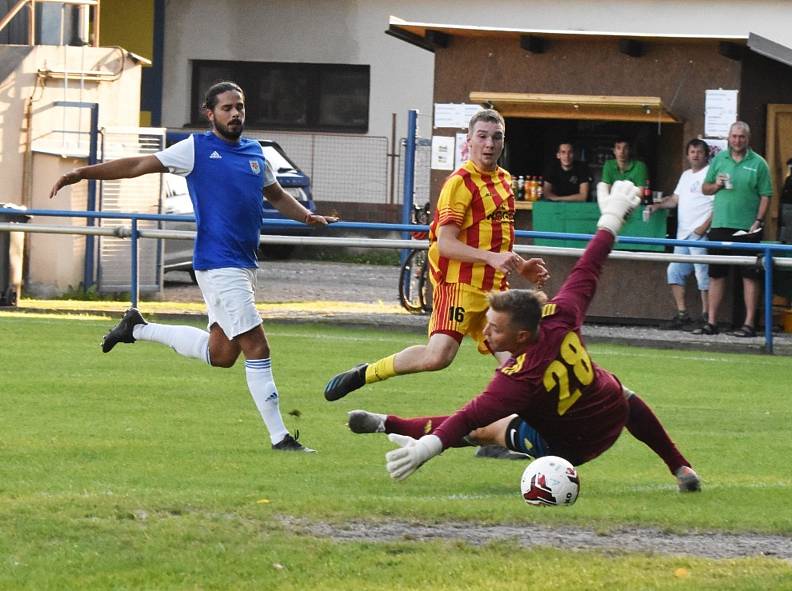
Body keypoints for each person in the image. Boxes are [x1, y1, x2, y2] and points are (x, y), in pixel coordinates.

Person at [347, 181, 701, 493]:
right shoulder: (560, 313)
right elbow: (590, 263)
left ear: (521, 336)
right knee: (620, 391)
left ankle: (387, 423)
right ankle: (681, 467)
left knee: (486, 430)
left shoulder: (517, 379)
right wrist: (612, 217)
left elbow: (467, 418)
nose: (485, 332)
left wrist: (428, 447)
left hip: (570, 447)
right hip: (611, 412)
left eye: (495, 329)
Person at [49, 81, 337, 452]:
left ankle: (136, 329)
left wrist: (307, 216)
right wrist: (83, 173)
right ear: (209, 113)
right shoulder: (196, 150)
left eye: (240, 107)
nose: (236, 114)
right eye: (227, 108)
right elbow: (138, 164)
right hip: (219, 265)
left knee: (221, 355)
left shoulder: (255, 153)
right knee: (257, 346)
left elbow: (276, 194)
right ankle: (280, 437)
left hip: (243, 265)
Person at [323, 109, 549, 403]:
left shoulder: (505, 181)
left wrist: (522, 266)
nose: (489, 144)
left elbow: (497, 242)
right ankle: (365, 373)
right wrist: (490, 258)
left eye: (496, 137)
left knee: (515, 362)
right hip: (458, 287)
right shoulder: (460, 183)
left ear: (503, 142)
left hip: (495, 291)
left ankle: (499, 435)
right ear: (469, 141)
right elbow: (445, 244)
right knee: (437, 357)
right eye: (482, 137)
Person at [694, 121, 772, 337]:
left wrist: (758, 220)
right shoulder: (719, 159)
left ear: (748, 139)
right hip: (720, 225)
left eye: (741, 137)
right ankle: (711, 322)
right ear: (729, 138)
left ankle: (748, 324)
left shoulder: (759, 163)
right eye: (734, 136)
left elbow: (766, 194)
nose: (737, 140)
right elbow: (705, 189)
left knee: (750, 276)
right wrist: (717, 185)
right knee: (716, 275)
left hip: (748, 228)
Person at [650, 139, 714, 330]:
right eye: (692, 151)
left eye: (699, 152)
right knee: (674, 271)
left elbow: (719, 204)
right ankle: (682, 314)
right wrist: (658, 205)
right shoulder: (686, 175)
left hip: (700, 233)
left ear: (706, 154)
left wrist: (704, 226)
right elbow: (675, 200)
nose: (695, 155)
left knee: (703, 274)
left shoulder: (711, 174)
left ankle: (706, 317)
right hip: (683, 234)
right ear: (687, 155)